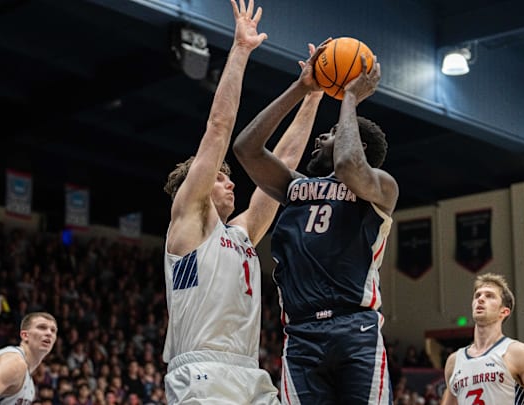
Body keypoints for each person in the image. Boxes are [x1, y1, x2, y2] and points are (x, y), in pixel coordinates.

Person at [161, 0, 322, 403]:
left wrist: (313, 96)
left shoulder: (243, 232)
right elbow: (219, 129)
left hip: (249, 370)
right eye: (220, 177)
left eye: (229, 178)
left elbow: (282, 164)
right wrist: (240, 50)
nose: (229, 182)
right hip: (200, 371)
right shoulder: (189, 222)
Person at [233, 41, 397, 404]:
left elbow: (348, 167)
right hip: (302, 334)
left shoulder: (381, 187)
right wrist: (303, 87)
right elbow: (246, 148)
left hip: (356, 329)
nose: (321, 137)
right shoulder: (293, 187)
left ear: (358, 144)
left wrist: (350, 99)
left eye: (332, 133)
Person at [440, 273, 524, 405]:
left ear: (504, 311)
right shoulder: (454, 361)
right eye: (477, 295)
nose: (480, 299)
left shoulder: (518, 353)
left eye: (489, 296)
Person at [0, 312, 58, 405]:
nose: (49, 333)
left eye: (53, 330)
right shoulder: (15, 362)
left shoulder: (29, 383)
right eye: (42, 327)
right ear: (25, 335)